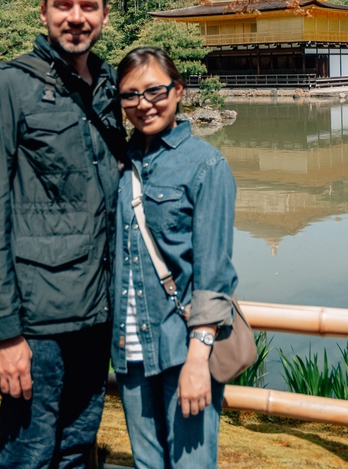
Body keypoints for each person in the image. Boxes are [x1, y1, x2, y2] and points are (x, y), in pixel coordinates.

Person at [0, 0, 123, 469]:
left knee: (75, 450)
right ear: (44, 12)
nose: (76, 17)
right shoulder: (4, 87)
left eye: (87, 6)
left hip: (97, 314)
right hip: (36, 323)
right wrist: (4, 333)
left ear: (105, 15)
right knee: (27, 454)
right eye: (63, 5)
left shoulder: (110, 89)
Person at [114, 47, 238, 469]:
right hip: (129, 348)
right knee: (147, 464)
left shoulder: (206, 164)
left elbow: (215, 272)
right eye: (130, 95)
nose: (143, 104)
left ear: (179, 90)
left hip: (182, 346)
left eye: (154, 91)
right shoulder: (119, 163)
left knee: (191, 465)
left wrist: (198, 359)